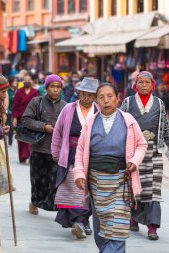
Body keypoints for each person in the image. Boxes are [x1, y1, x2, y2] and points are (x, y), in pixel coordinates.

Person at [74, 83, 147, 253]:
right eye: (101, 97)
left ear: (117, 98)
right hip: (96, 181)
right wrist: (78, 173)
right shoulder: (90, 122)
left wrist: (135, 161)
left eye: (110, 96)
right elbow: (80, 150)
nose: (106, 101)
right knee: (101, 224)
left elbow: (141, 144)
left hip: (121, 180)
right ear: (96, 100)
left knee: (118, 226)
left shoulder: (128, 120)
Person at [121, 71, 169, 240]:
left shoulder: (159, 103)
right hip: (134, 151)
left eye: (147, 83)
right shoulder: (128, 102)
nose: (144, 85)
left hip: (154, 151)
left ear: (152, 85)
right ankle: (134, 218)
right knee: (135, 186)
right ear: (135, 85)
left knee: (153, 189)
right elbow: (120, 124)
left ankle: (153, 227)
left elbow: (165, 126)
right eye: (141, 82)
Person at [51, 77, 99, 239]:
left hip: (92, 156)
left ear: (95, 97)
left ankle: (84, 220)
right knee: (74, 189)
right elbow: (58, 131)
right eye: (83, 94)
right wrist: (56, 153)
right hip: (71, 154)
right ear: (78, 93)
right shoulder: (68, 109)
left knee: (89, 190)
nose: (86, 98)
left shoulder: (99, 111)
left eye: (90, 95)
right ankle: (78, 221)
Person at [21, 74, 67, 215]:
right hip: (39, 147)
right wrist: (43, 126)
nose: (55, 90)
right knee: (37, 179)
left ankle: (51, 204)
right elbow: (26, 119)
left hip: (56, 151)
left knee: (53, 180)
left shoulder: (65, 106)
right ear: (46, 88)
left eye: (58, 87)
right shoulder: (37, 102)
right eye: (52, 86)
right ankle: (34, 201)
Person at [12, 74, 39, 163]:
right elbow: (15, 105)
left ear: (31, 81)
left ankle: (29, 155)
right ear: (23, 81)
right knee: (21, 138)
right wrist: (14, 118)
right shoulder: (19, 92)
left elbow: (38, 105)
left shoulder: (35, 92)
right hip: (21, 118)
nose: (27, 82)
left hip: (32, 118)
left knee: (30, 137)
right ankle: (22, 157)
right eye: (25, 80)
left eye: (29, 80)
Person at [6, 76, 18, 146]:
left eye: (16, 81)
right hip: (10, 111)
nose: (16, 82)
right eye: (14, 81)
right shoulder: (7, 91)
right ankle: (10, 142)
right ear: (10, 82)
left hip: (17, 111)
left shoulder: (17, 90)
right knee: (10, 126)